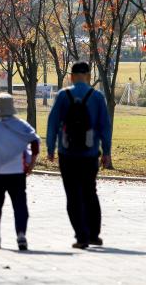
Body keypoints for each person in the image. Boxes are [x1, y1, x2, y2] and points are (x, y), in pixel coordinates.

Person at [47, 61, 112, 249]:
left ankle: (81, 236)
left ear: (71, 76)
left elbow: (52, 124)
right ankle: (94, 235)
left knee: (73, 195)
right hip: (90, 153)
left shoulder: (62, 96)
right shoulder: (97, 97)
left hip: (67, 153)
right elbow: (105, 127)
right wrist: (106, 152)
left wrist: (51, 148)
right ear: (89, 76)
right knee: (90, 192)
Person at [0, 93, 40, 251]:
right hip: (17, 173)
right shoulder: (22, 125)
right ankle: (21, 236)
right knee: (20, 205)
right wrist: (31, 164)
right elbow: (35, 142)